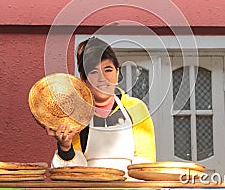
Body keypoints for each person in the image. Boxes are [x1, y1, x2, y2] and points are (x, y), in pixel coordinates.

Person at [46, 37, 156, 172]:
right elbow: (71, 173)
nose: (102, 78)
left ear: (117, 72)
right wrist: (65, 147)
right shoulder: (75, 114)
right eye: (93, 72)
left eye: (108, 70)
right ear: (83, 78)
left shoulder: (136, 108)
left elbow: (145, 161)